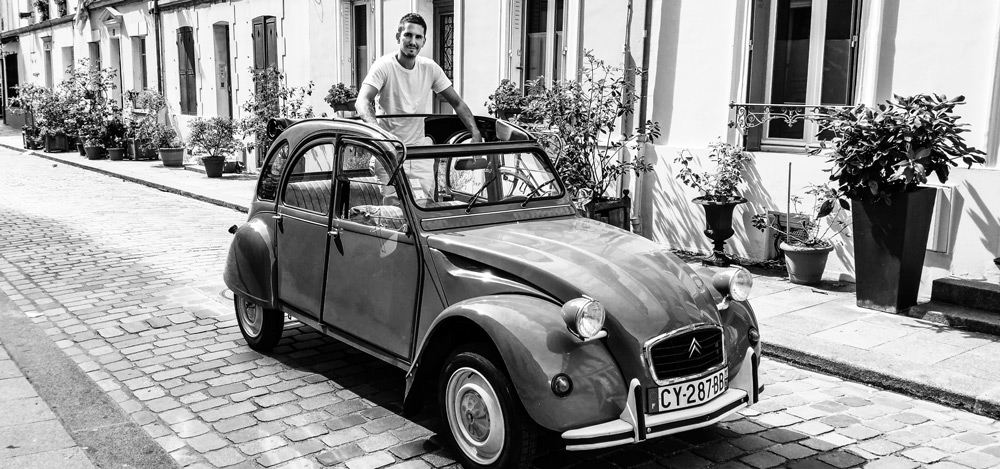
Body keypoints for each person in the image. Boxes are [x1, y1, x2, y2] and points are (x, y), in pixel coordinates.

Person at [355, 13, 481, 201]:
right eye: (408, 35)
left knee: (422, 206)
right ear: (398, 37)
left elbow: (457, 103)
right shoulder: (384, 66)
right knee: (395, 210)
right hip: (391, 153)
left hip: (419, 154)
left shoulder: (430, 68)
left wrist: (475, 133)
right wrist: (380, 137)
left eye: (418, 37)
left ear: (424, 41)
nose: (412, 41)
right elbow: (362, 102)